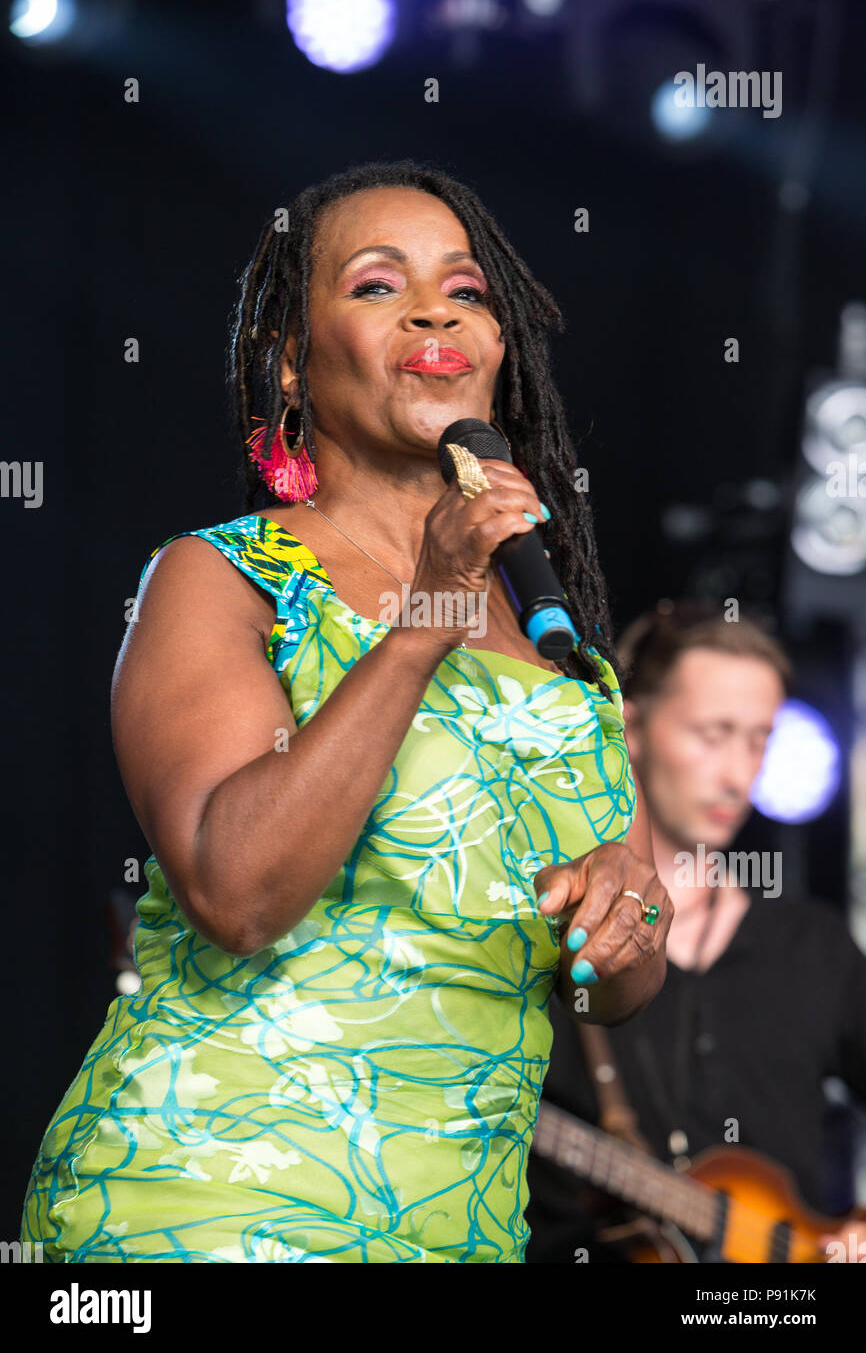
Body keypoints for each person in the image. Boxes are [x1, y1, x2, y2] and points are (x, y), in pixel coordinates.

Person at [20, 159, 671, 1264]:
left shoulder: (565, 654)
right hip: (208, 1202)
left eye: (463, 291)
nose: (432, 309)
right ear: (288, 361)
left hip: (453, 1229)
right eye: (377, 286)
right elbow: (235, 888)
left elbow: (621, 987)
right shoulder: (222, 578)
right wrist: (425, 616)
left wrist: (625, 913)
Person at [525, 600, 866, 1263]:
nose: (739, 774)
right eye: (714, 734)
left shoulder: (813, 947)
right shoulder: (551, 919)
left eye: (759, 739)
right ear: (631, 728)